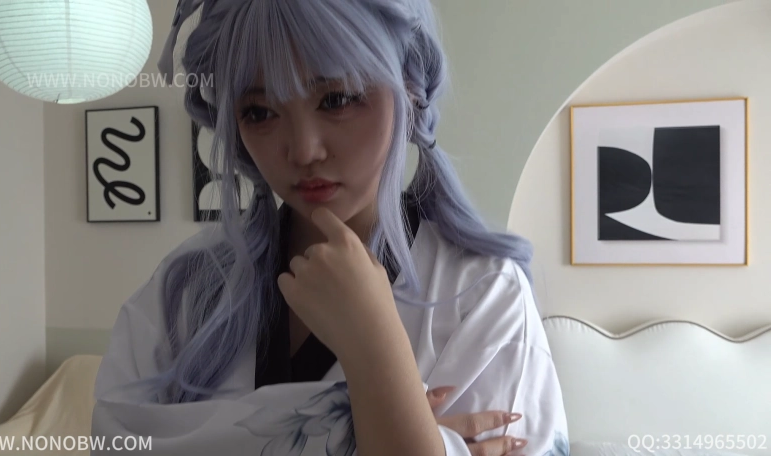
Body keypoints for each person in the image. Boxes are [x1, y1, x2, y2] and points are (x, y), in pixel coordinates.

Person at [90, 0, 569, 455]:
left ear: (409, 88)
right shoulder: (185, 291)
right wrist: (379, 431)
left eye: (337, 99)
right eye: (259, 112)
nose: (304, 150)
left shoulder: (482, 292)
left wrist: (373, 346)